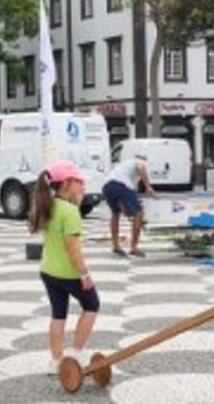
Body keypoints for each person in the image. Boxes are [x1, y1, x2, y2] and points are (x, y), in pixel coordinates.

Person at [29, 160, 101, 373]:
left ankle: (56, 361)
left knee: (58, 314)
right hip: (68, 273)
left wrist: (76, 203)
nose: (83, 184)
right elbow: (73, 247)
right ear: (66, 183)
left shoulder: (49, 205)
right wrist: (84, 274)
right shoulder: (69, 211)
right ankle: (77, 353)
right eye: (79, 180)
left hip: (48, 270)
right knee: (92, 305)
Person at [103, 153, 157, 258]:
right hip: (120, 185)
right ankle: (134, 248)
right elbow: (141, 167)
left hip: (107, 186)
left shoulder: (124, 166)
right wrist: (148, 187)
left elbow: (128, 202)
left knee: (115, 213)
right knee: (139, 214)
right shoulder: (138, 161)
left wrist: (129, 209)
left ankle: (115, 245)